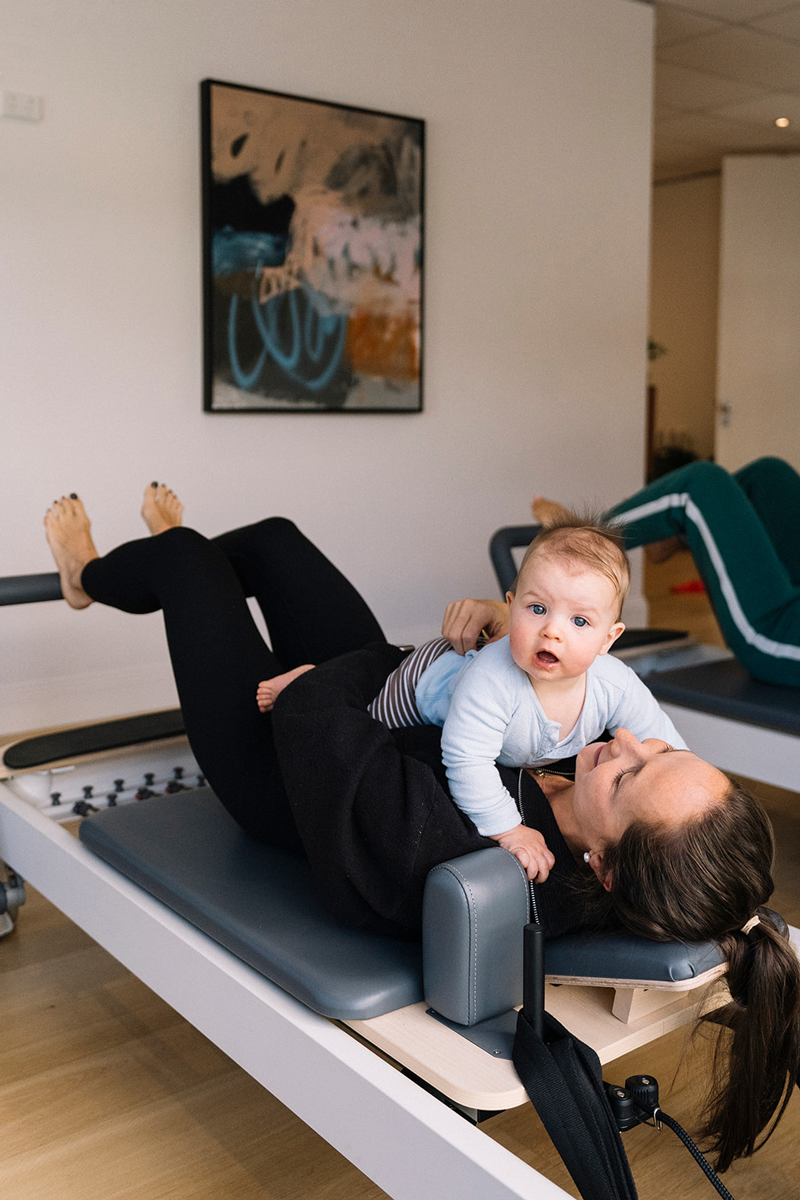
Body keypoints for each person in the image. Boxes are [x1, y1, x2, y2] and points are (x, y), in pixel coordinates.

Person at [44, 484, 800, 1172]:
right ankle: (179, 571)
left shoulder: (471, 850)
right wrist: (510, 634)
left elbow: (313, 720)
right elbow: (524, 686)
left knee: (184, 558)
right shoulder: (598, 774)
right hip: (382, 703)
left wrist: (366, 674)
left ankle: (97, 576)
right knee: (274, 539)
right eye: (662, 750)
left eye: (630, 775)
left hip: (285, 764)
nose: (627, 742)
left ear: (602, 866)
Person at [259, 518, 687, 856]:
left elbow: (662, 738)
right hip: (423, 683)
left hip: (466, 675)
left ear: (609, 639)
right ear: (510, 607)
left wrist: (690, 791)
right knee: (366, 721)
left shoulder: (614, 683)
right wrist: (510, 829)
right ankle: (312, 677)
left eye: (579, 621)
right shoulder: (493, 681)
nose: (552, 631)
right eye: (537, 609)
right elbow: (466, 761)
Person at [533, 456, 800, 688]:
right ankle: (673, 534)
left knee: (701, 484)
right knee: (769, 476)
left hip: (780, 630)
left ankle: (586, 538)